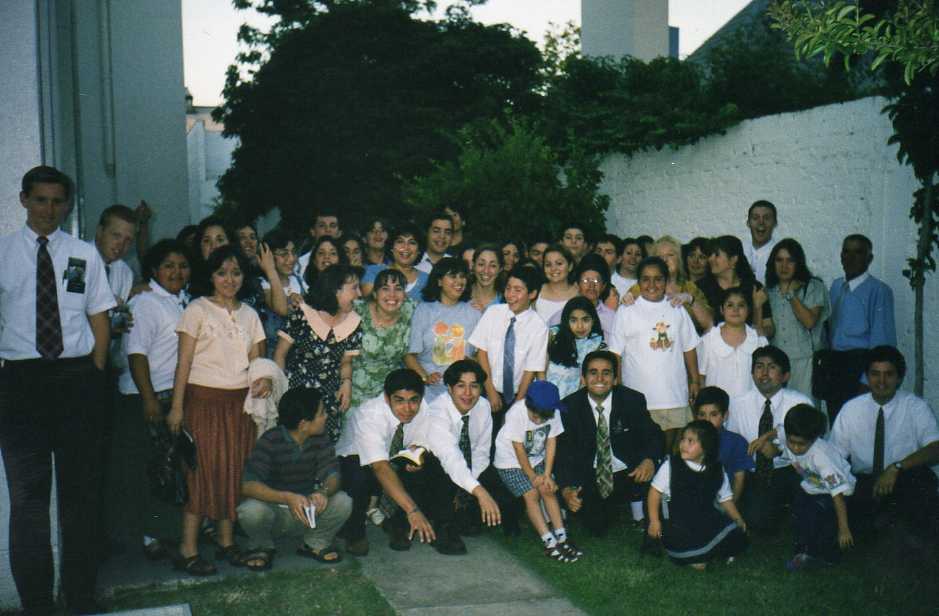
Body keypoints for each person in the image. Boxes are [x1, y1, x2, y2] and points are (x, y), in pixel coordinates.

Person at [0, 166, 115, 614]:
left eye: (57, 202)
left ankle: (80, 597)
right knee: (28, 502)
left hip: (76, 381)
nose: (49, 210)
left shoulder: (84, 254)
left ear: (67, 205)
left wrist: (95, 374)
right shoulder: (4, 254)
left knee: (80, 499)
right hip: (21, 384)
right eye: (40, 200)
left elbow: (99, 318)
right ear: (24, 199)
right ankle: (37, 606)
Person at [168, 244, 271, 576]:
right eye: (222, 272)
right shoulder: (197, 310)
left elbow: (259, 362)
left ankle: (227, 543)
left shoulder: (250, 314)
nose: (229, 279)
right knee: (201, 474)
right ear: (210, 275)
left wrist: (264, 380)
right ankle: (188, 549)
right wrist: (176, 408)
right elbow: (183, 363)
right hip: (203, 403)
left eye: (236, 272)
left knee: (233, 471)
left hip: (239, 406)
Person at [111, 239, 191, 561]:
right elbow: (136, 353)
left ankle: (162, 532)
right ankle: (145, 536)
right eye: (169, 265)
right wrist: (149, 401)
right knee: (147, 470)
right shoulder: (146, 303)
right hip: (146, 396)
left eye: (182, 265)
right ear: (155, 270)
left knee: (168, 468)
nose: (176, 271)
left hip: (172, 395)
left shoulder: (180, 300)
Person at [830, 346, 939, 545]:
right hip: (864, 481)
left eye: (888, 374)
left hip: (902, 478)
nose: (881, 381)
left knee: (923, 482)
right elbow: (834, 455)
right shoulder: (851, 409)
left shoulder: (915, 406)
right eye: (875, 374)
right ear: (867, 377)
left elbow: (935, 448)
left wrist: (897, 467)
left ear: (899, 378)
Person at [237, 387, 353, 570]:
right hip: (275, 513)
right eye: (321, 413)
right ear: (304, 424)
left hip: (308, 512)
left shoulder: (320, 439)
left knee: (343, 501)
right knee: (250, 511)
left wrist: (323, 492)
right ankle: (262, 545)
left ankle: (314, 543)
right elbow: (247, 485)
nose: (326, 417)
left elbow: (333, 475)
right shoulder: (270, 440)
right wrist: (286, 498)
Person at [557, 350, 664, 537]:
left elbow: (655, 435)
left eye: (606, 373)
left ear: (615, 379)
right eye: (593, 372)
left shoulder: (632, 400)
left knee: (657, 499)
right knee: (596, 526)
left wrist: (649, 460)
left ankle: (638, 505)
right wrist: (566, 488)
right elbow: (563, 452)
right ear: (583, 378)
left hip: (629, 472)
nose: (600, 378)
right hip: (591, 474)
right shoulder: (569, 407)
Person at [334, 369, 440, 554]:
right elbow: (379, 467)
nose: (407, 409)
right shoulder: (370, 414)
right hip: (356, 462)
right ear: (386, 398)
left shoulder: (424, 409)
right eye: (399, 400)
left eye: (413, 400)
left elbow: (422, 441)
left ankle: (398, 524)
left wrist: (418, 456)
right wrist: (413, 510)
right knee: (361, 474)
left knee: (429, 464)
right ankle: (354, 529)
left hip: (393, 456)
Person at [609, 256, 701, 453]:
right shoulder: (626, 311)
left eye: (658, 279)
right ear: (638, 282)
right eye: (645, 279)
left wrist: (694, 381)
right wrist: (617, 388)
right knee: (643, 454)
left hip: (674, 395)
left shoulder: (677, 309)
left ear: (667, 281)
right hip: (639, 397)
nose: (652, 284)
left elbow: (689, 347)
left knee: (671, 455)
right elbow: (615, 354)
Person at [726, 345, 811, 532]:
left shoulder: (800, 403)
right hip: (753, 472)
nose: (764, 373)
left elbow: (812, 446)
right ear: (752, 373)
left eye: (772, 367)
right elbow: (731, 446)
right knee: (759, 523)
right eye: (759, 366)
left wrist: (780, 450)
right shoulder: (738, 404)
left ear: (785, 376)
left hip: (790, 469)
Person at [494, 380, 581, 561]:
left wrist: (547, 474)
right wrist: (533, 476)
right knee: (532, 494)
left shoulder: (554, 412)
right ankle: (549, 541)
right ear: (527, 403)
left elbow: (551, 441)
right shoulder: (516, 413)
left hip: (536, 458)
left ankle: (562, 537)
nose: (540, 420)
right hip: (510, 462)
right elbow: (518, 449)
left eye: (544, 416)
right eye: (536, 415)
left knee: (547, 490)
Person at [275, 264, 363, 443]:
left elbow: (345, 362)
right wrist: (280, 393)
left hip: (328, 401)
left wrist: (346, 383)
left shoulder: (354, 321)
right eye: (354, 288)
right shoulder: (303, 313)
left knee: (323, 454)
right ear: (335, 290)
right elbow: (280, 355)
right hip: (297, 395)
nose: (359, 293)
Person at [647, 420, 748, 570]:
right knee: (697, 558)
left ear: (706, 447)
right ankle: (699, 556)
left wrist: (738, 518)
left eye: (690, 441)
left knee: (735, 531)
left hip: (704, 520)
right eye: (683, 439)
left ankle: (708, 553)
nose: (683, 444)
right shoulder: (671, 466)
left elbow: (725, 499)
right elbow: (654, 493)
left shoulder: (717, 470)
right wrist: (654, 521)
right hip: (678, 525)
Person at [424, 361, 503, 540]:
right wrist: (479, 492)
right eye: (461, 386)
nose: (468, 393)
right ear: (450, 389)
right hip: (436, 467)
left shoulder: (482, 406)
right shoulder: (437, 411)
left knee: (502, 494)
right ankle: (441, 524)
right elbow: (450, 457)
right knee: (439, 469)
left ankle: (463, 510)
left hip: (465, 468)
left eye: (474, 386)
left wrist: (468, 488)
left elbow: (481, 452)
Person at [825, 234, 896, 420]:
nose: (851, 257)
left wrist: (867, 380)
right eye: (846, 252)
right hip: (835, 366)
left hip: (859, 365)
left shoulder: (879, 290)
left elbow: (882, 339)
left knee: (859, 423)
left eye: (858, 252)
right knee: (837, 423)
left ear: (869, 258)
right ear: (841, 256)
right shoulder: (836, 286)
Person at [780, 404, 855, 571]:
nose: (796, 448)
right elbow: (777, 430)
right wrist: (763, 440)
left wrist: (844, 528)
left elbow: (838, 495)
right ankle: (803, 552)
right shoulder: (787, 436)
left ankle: (828, 557)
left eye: (801, 444)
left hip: (837, 494)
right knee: (800, 514)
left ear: (814, 439)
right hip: (811, 487)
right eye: (792, 442)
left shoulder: (822, 457)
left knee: (822, 521)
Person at [469, 266, 548, 416]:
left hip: (518, 395)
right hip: (486, 389)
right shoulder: (493, 313)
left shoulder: (539, 327)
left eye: (518, 290)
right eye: (508, 288)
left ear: (532, 293)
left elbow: (530, 370)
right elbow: (482, 352)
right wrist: (491, 391)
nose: (510, 295)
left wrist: (517, 405)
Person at [405, 258, 480, 402]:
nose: (459, 281)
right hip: (429, 392)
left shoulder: (474, 312)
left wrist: (472, 363)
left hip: (465, 393)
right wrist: (425, 376)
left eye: (462, 276)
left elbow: (481, 357)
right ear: (439, 281)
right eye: (453, 276)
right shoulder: (423, 310)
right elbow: (410, 355)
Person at [765, 238, 829, 402]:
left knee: (804, 409)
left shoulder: (813, 286)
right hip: (776, 364)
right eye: (779, 260)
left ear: (798, 263)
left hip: (805, 362)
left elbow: (809, 322)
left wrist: (792, 295)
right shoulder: (768, 291)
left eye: (790, 260)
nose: (784, 266)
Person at [349, 269, 414, 411]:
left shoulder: (412, 310)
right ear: (374, 293)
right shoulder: (357, 310)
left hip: (392, 393)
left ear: (404, 294)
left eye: (398, 289)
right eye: (385, 289)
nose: (392, 295)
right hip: (355, 390)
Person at [621, 236, 713, 332]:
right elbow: (623, 323)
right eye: (659, 257)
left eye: (670, 255)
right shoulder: (639, 288)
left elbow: (709, 324)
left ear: (679, 259)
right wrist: (626, 303)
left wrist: (690, 299)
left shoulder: (690, 288)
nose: (664, 260)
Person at [696, 287, 768, 397]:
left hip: (751, 409)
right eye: (730, 305)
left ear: (748, 310)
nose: (735, 310)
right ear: (722, 309)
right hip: (717, 409)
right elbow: (700, 377)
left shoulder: (759, 340)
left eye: (741, 305)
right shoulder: (708, 340)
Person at [700, 235, 773, 337]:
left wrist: (757, 308)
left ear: (733, 259)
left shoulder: (754, 287)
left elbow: (769, 329)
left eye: (716, 255)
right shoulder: (701, 288)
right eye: (710, 255)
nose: (710, 259)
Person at [693, 386, 754, 504]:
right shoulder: (689, 441)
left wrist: (729, 512)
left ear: (725, 416)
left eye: (713, 414)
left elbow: (738, 480)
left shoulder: (736, 442)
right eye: (702, 415)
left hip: (724, 503)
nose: (707, 420)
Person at [546, 297, 606, 399]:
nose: (580, 326)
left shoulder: (598, 345)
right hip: (544, 396)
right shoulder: (552, 335)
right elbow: (538, 369)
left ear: (593, 320)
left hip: (573, 401)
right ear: (566, 320)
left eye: (585, 320)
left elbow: (588, 383)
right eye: (573, 320)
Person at [260, 229, 305, 355]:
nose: (291, 259)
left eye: (293, 252)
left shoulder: (299, 281)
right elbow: (281, 309)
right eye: (284, 254)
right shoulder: (263, 285)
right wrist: (270, 270)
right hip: (273, 357)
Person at [361, 223, 429, 301]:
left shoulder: (427, 280)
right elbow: (369, 304)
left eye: (412, 242)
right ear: (391, 247)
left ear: (419, 250)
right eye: (400, 241)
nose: (405, 247)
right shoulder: (373, 272)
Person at [535, 244, 577, 323]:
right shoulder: (536, 292)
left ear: (570, 266)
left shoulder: (579, 294)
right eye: (548, 265)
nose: (553, 268)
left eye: (559, 263)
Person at [297, 211, 343, 276]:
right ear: (312, 231)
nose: (328, 230)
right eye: (322, 226)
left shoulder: (349, 260)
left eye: (332, 226)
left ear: (339, 233)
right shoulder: (300, 265)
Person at [469, 243, 503, 312]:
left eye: (493, 265)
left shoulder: (505, 301)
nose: (486, 271)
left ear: (500, 269)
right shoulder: (461, 295)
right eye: (481, 264)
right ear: (473, 265)